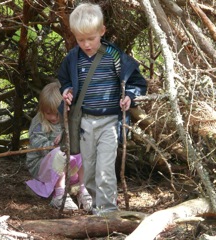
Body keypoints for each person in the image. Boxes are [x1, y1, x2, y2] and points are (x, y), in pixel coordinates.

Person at [58, 3, 147, 215]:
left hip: (109, 122)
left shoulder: (113, 56)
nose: (86, 44)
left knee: (105, 169)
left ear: (102, 31)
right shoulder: (73, 58)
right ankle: (98, 208)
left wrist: (129, 96)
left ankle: (107, 211)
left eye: (91, 38)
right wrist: (67, 90)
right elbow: (64, 80)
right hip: (85, 122)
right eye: (81, 40)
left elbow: (136, 81)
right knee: (87, 170)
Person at [25, 82, 92, 211]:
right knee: (59, 153)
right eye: (48, 113)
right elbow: (38, 145)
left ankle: (84, 191)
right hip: (43, 167)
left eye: (57, 113)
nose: (53, 117)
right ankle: (59, 195)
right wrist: (55, 145)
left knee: (84, 148)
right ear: (41, 109)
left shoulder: (69, 119)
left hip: (69, 168)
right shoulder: (38, 123)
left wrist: (67, 137)